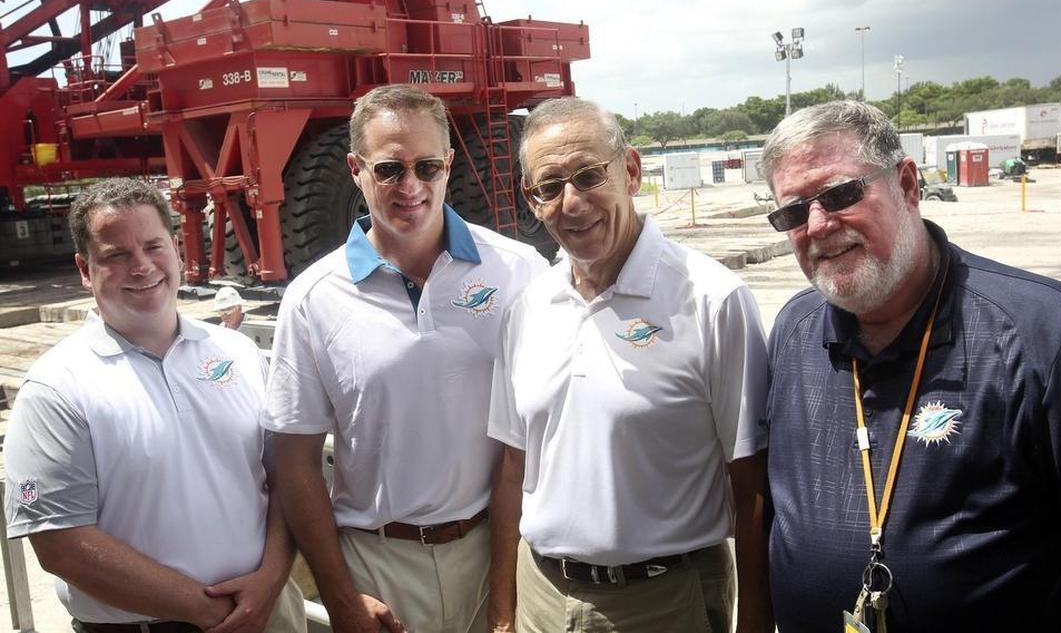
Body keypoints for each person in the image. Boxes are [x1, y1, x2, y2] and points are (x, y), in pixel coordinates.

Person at [759, 100, 1061, 633]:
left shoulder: (1053, 338)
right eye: (793, 212)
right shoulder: (793, 332)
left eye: (840, 194)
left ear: (908, 185)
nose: (818, 225)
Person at [262, 85, 549, 633]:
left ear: (449, 164)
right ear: (356, 169)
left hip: (500, 546)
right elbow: (295, 462)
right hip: (378, 562)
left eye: (428, 167)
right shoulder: (313, 298)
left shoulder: (519, 272)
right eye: (390, 168)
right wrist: (340, 595)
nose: (411, 186)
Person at [487, 96, 770, 633]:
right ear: (531, 198)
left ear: (631, 170)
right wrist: (504, 612)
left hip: (665, 600)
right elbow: (512, 467)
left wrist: (755, 620)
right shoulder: (526, 308)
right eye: (549, 187)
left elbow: (750, 476)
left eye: (588, 175)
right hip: (542, 597)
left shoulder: (714, 299)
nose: (571, 203)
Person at [3, 178, 304, 633]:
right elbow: (61, 543)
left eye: (152, 246)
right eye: (116, 255)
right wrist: (209, 611)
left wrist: (271, 580)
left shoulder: (237, 354)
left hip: (268, 611)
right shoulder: (57, 388)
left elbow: (284, 479)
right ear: (85, 269)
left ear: (178, 248)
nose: (141, 267)